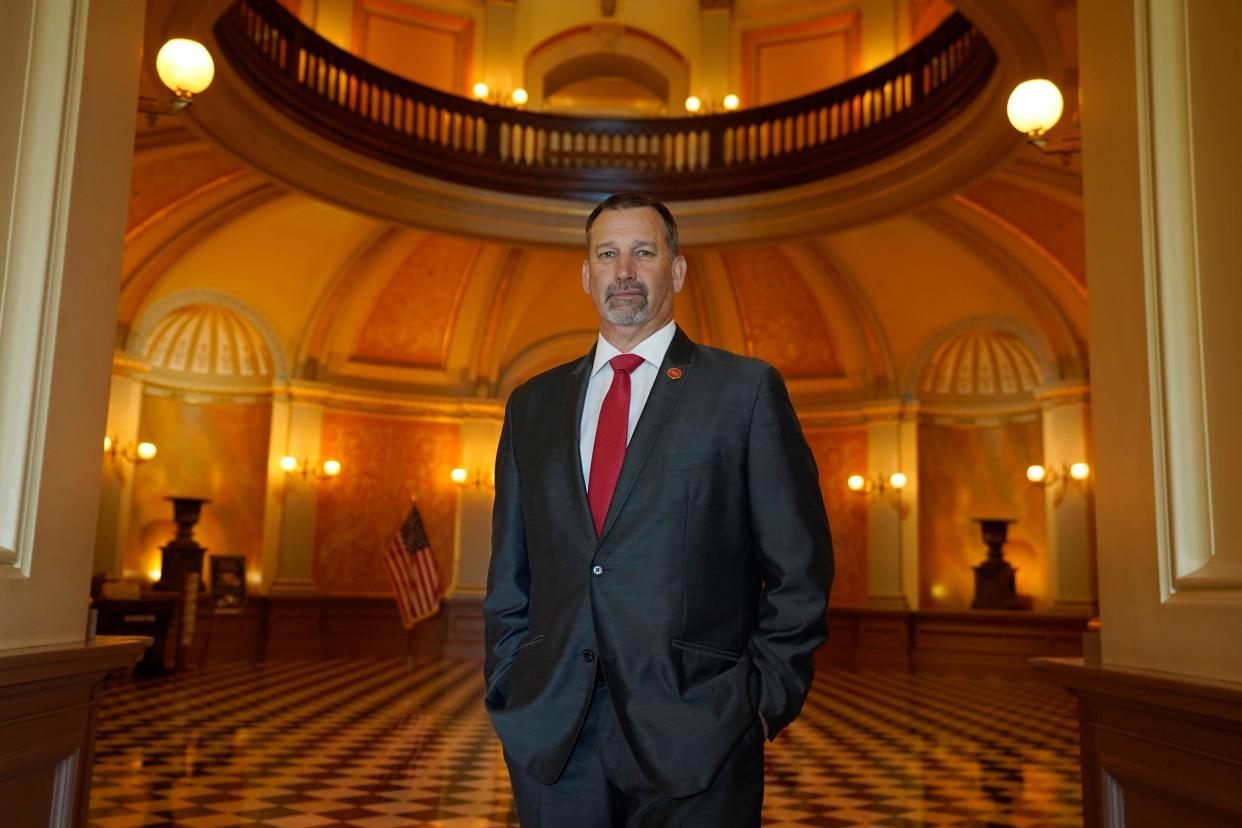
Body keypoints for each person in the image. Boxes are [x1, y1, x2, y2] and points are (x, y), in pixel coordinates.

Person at [483, 193, 833, 827]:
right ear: (586, 275)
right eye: (607, 254)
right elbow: (510, 571)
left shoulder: (745, 392)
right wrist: (510, 679)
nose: (624, 271)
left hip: (700, 728)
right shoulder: (530, 405)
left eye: (643, 253)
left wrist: (759, 703)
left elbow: (800, 570)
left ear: (675, 271)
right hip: (553, 731)